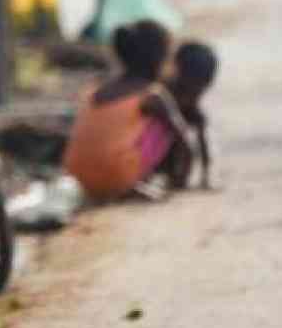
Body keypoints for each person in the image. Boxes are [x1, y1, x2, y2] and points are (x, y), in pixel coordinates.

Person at [63, 20, 194, 200]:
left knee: (126, 128)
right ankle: (151, 181)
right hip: (118, 176)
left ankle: (125, 179)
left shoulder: (93, 91)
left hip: (78, 178)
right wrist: (182, 181)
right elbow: (184, 139)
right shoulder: (152, 95)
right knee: (165, 125)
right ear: (159, 57)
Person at [168, 40, 219, 189]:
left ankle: (177, 177)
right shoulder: (164, 92)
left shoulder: (191, 102)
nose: (198, 93)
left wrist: (206, 176)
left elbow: (202, 139)